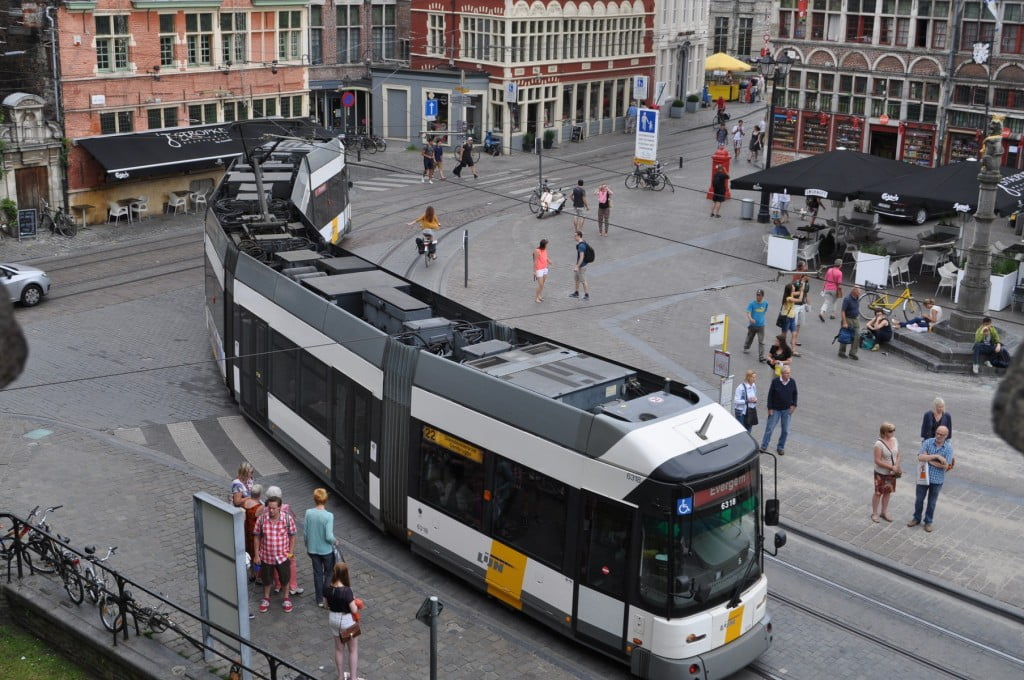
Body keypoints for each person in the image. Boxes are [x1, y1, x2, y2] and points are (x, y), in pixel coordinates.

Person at [253, 494, 297, 613]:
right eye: (269, 508)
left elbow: (292, 536)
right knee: (267, 579)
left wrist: (290, 553)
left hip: (282, 556)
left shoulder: (287, 519)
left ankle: (286, 598)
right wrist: (256, 555)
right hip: (266, 556)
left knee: (285, 578)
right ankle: (266, 598)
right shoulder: (262, 519)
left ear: (279, 507)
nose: (271, 510)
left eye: (273, 508)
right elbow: (256, 537)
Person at [909, 425, 953, 533]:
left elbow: (946, 465)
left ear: (946, 436)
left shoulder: (948, 448)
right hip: (923, 476)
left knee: (932, 502)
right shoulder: (928, 442)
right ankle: (916, 518)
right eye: (937, 433)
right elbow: (920, 457)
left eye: (941, 434)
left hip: (937, 480)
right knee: (919, 499)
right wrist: (936, 457)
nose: (938, 435)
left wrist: (928, 458)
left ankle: (928, 522)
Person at [264, 485, 303, 597]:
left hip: (271, 545)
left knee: (275, 564)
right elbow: (293, 524)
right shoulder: (286, 507)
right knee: (290, 563)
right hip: (284, 543)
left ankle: (278, 585)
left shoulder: (265, 509)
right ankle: (293, 586)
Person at [324, 562, 361, 680]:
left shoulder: (327, 588)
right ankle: (353, 678)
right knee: (352, 650)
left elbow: (325, 605)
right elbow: (354, 609)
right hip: (347, 622)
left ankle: (340, 677)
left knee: (339, 649)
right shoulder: (347, 591)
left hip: (333, 619)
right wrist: (355, 601)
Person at [304, 488, 336, 608]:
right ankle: (326, 597)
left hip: (313, 549)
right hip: (326, 550)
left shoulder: (308, 513)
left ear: (315, 499)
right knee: (328, 574)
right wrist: (335, 541)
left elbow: (306, 533)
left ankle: (319, 600)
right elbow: (329, 536)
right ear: (325, 500)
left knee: (317, 574)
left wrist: (307, 545)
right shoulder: (329, 516)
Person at [760, 365, 797, 455]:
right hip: (775, 409)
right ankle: (764, 446)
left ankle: (780, 447)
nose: (789, 375)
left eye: (789, 373)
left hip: (786, 410)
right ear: (782, 373)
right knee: (769, 428)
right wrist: (770, 408)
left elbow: (795, 394)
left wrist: (793, 405)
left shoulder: (792, 382)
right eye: (787, 373)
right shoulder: (775, 382)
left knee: (785, 430)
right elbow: (770, 395)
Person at [871, 423, 902, 523]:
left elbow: (898, 454)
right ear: (884, 432)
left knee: (888, 492)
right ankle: (875, 513)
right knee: (878, 493)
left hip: (892, 473)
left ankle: (884, 512)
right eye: (890, 431)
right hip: (881, 472)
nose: (893, 432)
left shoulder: (894, 440)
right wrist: (891, 467)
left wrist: (896, 466)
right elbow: (877, 460)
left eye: (893, 430)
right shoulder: (878, 444)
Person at [243, 484, 264, 582]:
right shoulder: (259, 507)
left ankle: (251, 573)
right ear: (260, 494)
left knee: (249, 552)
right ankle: (257, 575)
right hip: (255, 533)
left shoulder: (246, 502)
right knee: (256, 554)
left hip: (246, 530)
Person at [838, 285, 862, 360]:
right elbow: (843, 311)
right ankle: (841, 352)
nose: (860, 292)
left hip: (855, 319)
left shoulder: (857, 298)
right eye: (859, 291)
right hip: (848, 319)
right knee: (845, 335)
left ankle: (852, 353)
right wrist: (844, 322)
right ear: (854, 291)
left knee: (857, 336)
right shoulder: (847, 299)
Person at [743, 289, 768, 361]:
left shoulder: (765, 303)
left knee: (761, 341)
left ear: (762, 296)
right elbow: (748, 312)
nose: (758, 296)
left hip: (761, 325)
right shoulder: (752, 304)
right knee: (750, 337)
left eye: (759, 295)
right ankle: (746, 347)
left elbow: (765, 311)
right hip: (753, 325)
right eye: (757, 295)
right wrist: (751, 319)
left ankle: (761, 357)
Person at [790, 263, 810, 352]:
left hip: (802, 305)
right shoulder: (796, 283)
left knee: (798, 324)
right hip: (795, 305)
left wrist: (808, 305)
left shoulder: (807, 285)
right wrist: (800, 293)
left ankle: (795, 339)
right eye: (808, 275)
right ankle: (792, 342)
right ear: (804, 276)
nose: (809, 277)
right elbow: (791, 293)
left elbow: (806, 295)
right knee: (793, 324)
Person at [569, 230, 590, 301]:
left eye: (575, 236)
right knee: (577, 279)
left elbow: (581, 257)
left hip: (581, 266)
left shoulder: (581, 246)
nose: (574, 237)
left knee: (583, 280)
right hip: (579, 265)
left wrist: (577, 266)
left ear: (578, 236)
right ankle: (576, 293)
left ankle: (587, 295)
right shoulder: (582, 242)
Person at [533, 239, 550, 303]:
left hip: (545, 268)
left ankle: (539, 295)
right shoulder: (537, 251)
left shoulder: (545, 249)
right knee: (540, 284)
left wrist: (549, 260)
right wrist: (534, 271)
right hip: (539, 269)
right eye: (546, 244)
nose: (547, 246)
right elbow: (535, 261)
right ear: (544, 244)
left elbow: (545, 257)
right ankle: (536, 298)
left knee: (542, 283)